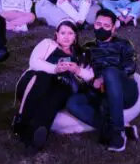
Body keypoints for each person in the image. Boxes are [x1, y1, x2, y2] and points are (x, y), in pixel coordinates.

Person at [65, 9, 140, 152]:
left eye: (106, 26)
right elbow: (83, 71)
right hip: (100, 90)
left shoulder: (124, 44)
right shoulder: (88, 47)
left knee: (110, 72)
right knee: (73, 103)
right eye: (98, 24)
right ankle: (120, 129)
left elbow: (130, 67)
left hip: (124, 91)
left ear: (113, 28)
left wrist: (106, 78)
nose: (101, 28)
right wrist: (92, 81)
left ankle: (118, 134)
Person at [14, 20, 94, 149]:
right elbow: (34, 62)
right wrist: (55, 69)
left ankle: (36, 135)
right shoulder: (47, 44)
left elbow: (90, 75)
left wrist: (77, 70)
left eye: (70, 33)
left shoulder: (80, 55)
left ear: (75, 37)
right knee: (44, 78)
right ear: (56, 34)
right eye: (63, 33)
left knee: (56, 96)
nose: (66, 37)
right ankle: (22, 121)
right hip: (35, 83)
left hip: (61, 87)